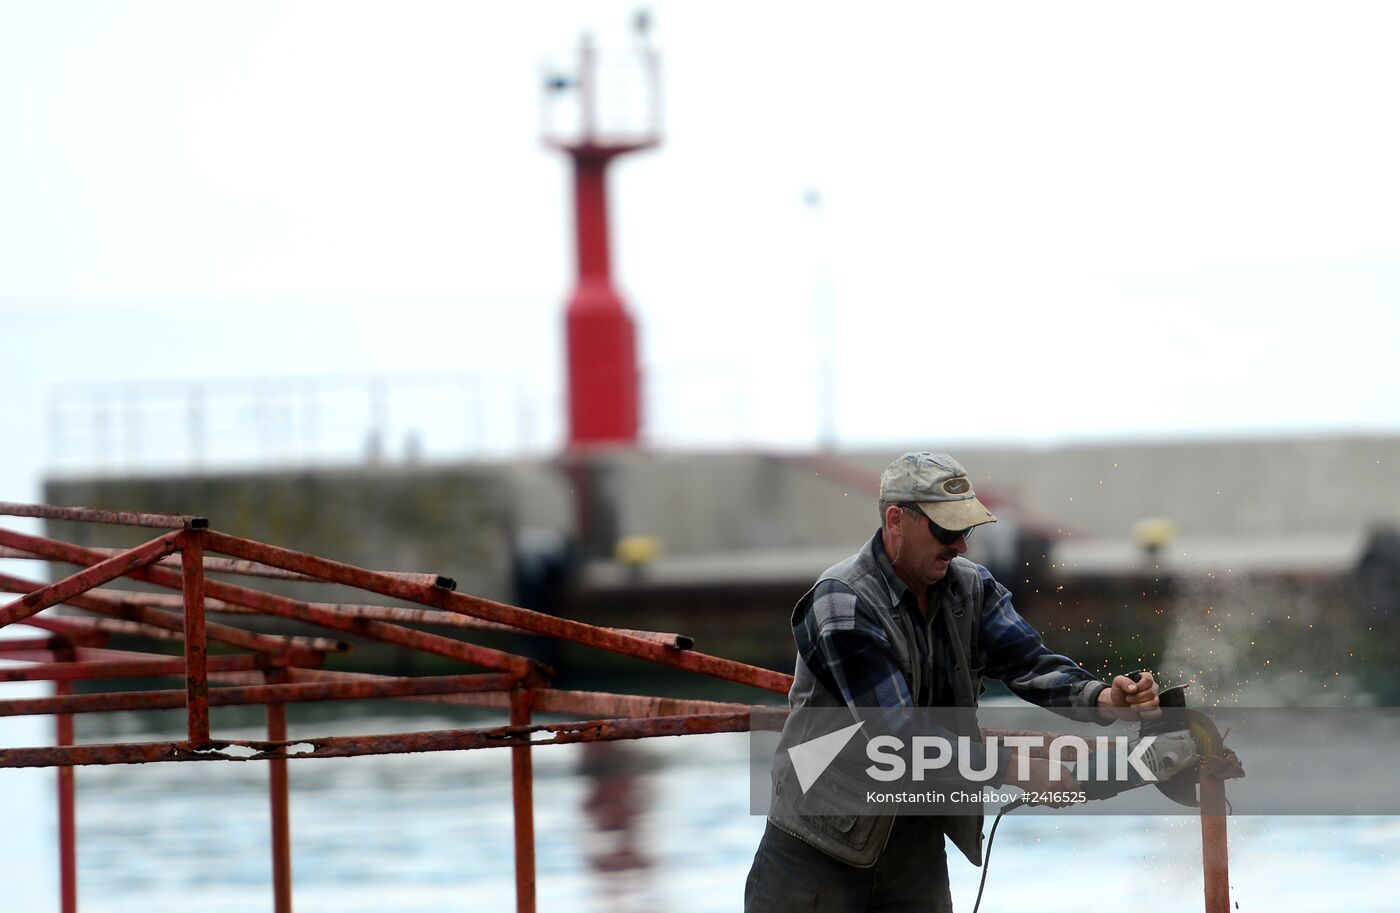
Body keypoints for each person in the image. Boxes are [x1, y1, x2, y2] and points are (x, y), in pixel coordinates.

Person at [744, 451, 1160, 912]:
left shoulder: (972, 587)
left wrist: (1101, 698)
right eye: (946, 531)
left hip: (915, 845)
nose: (960, 545)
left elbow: (1030, 664)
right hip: (816, 846)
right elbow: (896, 735)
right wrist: (1016, 769)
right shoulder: (842, 602)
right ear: (896, 520)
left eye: (966, 530)